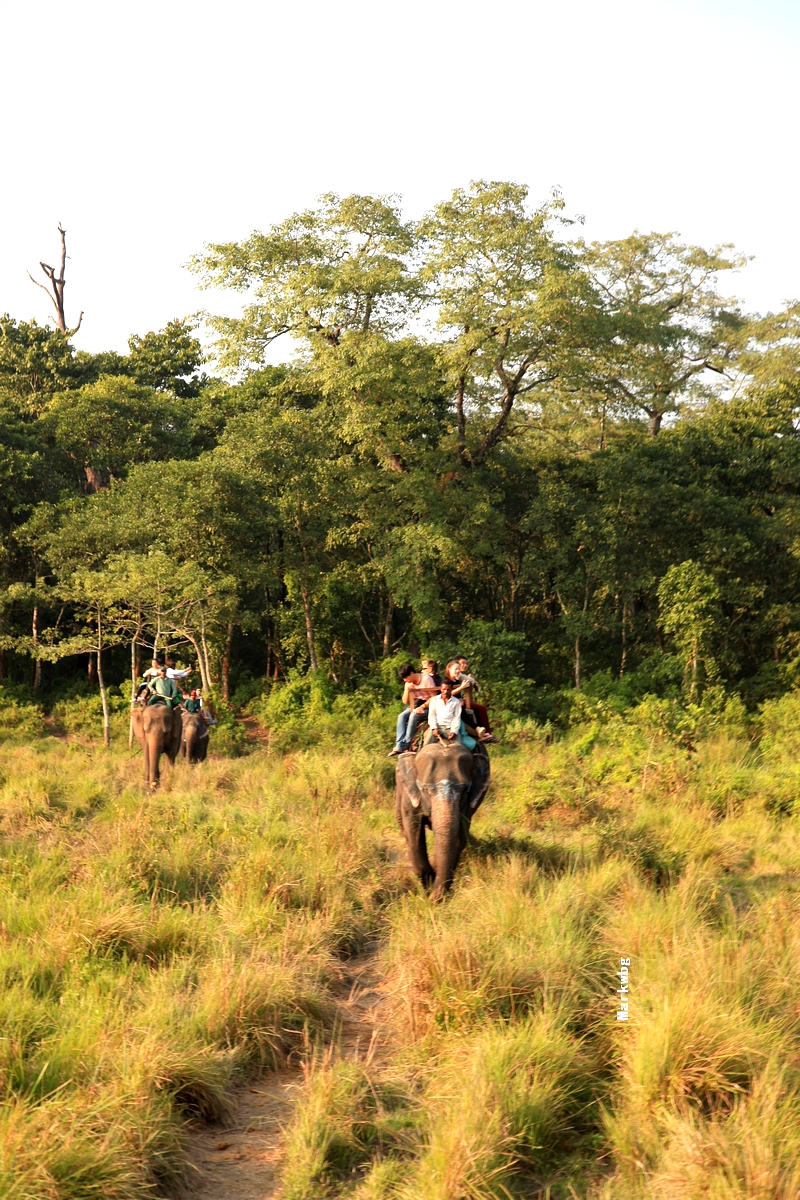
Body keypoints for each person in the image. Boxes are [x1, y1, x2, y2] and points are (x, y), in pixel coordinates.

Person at [388, 662, 441, 757]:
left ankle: (407, 744)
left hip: (429, 706)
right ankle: (400, 745)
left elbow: (434, 698)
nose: (405, 680)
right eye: (404, 679)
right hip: (416, 705)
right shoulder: (408, 683)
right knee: (401, 716)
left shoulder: (426, 679)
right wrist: (407, 690)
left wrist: (423, 707)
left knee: (413, 716)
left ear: (412, 673)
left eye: (406, 678)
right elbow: (405, 701)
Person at [456, 655, 498, 743]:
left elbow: (476, 688)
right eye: (463, 663)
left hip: (459, 701)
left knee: (475, 708)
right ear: (456, 664)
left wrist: (473, 681)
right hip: (455, 701)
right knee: (481, 708)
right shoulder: (457, 674)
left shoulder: (460, 675)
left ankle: (483, 731)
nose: (465, 665)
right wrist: (473, 680)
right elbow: (471, 682)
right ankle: (486, 733)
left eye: (466, 663)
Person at [427, 680, 477, 751]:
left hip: (449, 727)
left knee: (459, 749)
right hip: (438, 727)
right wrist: (434, 728)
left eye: (448, 689)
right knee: (425, 746)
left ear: (451, 690)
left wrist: (453, 731)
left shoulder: (456, 701)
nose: (445, 691)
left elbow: (456, 718)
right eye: (444, 689)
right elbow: (431, 715)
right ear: (441, 689)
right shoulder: (434, 700)